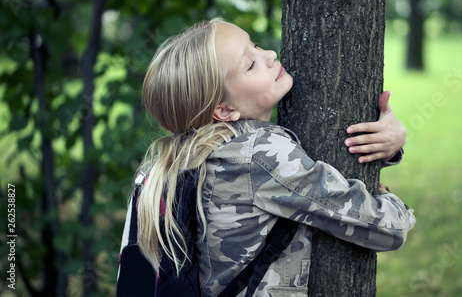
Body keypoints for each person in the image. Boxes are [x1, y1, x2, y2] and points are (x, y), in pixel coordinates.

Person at [119, 18, 415, 297]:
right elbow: (387, 229)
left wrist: (388, 148)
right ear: (223, 110)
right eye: (250, 64)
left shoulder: (173, 162)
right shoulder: (261, 155)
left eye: (257, 46)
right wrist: (388, 195)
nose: (271, 55)